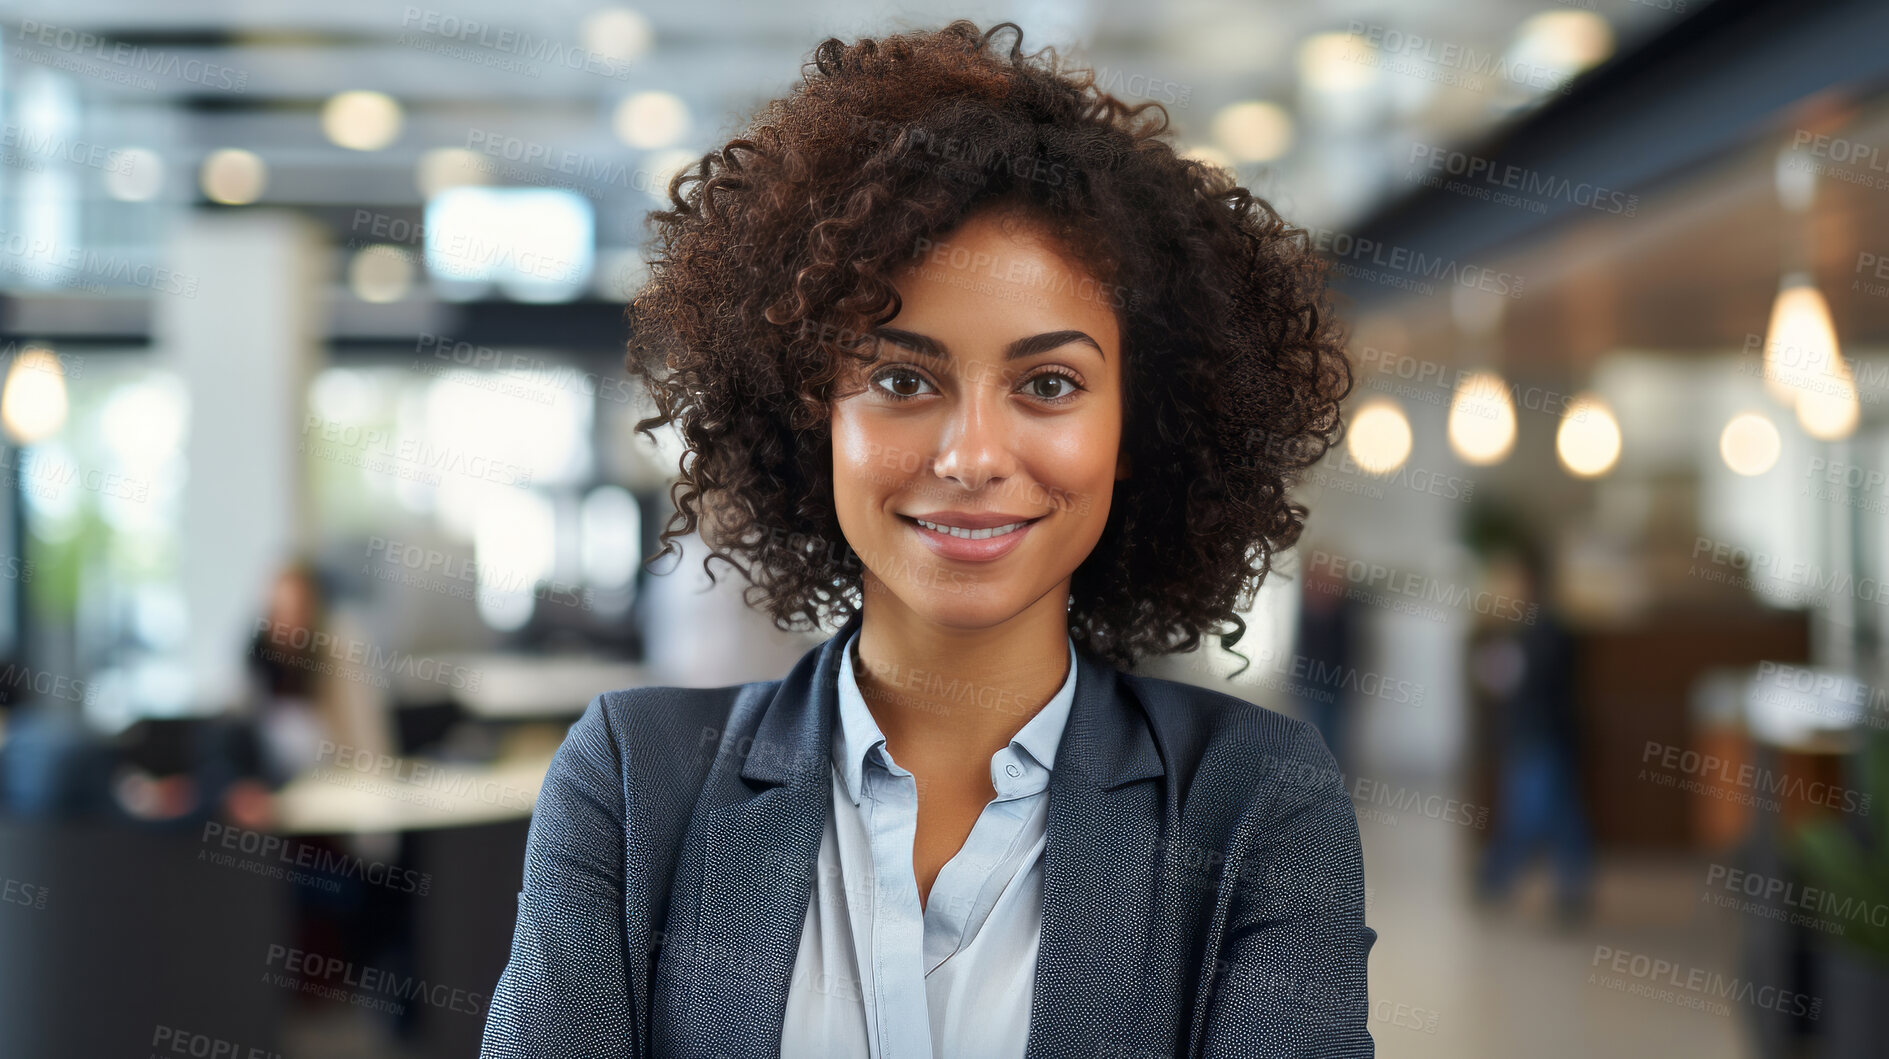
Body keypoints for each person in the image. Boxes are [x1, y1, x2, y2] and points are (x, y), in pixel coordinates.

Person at [481, 20, 1374, 1058]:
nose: (971, 455)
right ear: (815, 411)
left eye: (1048, 385)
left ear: (1136, 427)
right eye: (902, 380)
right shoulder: (632, 786)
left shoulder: (1253, 801)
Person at [1470, 540, 1593, 923]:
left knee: (1531, 813)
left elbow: (1527, 680)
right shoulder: (1526, 627)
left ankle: (1497, 878)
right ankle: (1569, 886)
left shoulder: (1545, 629)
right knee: (1556, 813)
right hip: (1532, 734)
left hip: (1540, 735)